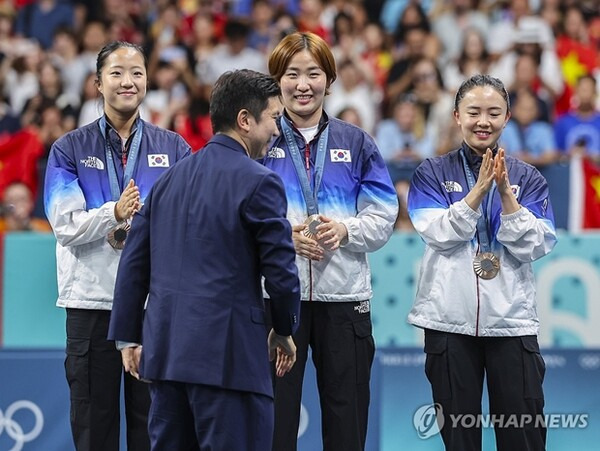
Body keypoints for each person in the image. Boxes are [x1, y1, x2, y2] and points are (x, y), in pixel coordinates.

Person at [107, 69, 301, 451]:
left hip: (167, 359)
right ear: (245, 120)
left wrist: (128, 334)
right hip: (228, 363)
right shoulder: (260, 181)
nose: (278, 130)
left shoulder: (167, 180)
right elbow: (281, 272)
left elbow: (134, 262)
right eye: (274, 118)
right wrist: (283, 328)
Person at [44, 41, 191, 451]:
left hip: (151, 308)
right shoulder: (69, 149)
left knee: (155, 429)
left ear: (147, 81)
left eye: (137, 73)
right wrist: (115, 213)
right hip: (91, 306)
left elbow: (187, 224)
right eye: (117, 73)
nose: (128, 81)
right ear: (97, 82)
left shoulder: (174, 149)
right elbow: (65, 226)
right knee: (94, 428)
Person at [407, 74, 557, 451]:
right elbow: (437, 234)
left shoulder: (529, 178)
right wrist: (478, 192)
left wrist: (506, 194)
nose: (483, 121)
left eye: (493, 112)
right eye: (473, 112)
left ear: (507, 118)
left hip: (512, 323)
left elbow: (536, 245)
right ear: (457, 116)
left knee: (523, 437)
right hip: (448, 322)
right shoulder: (431, 173)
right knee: (459, 439)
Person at [264, 31, 399, 451]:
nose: (303, 85)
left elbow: (383, 215)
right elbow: (232, 218)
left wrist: (345, 231)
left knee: (347, 419)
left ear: (330, 79)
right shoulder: (258, 141)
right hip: (276, 300)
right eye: (291, 74)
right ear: (276, 80)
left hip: (344, 300)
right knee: (273, 420)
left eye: (313, 74)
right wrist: (283, 236)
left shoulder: (356, 142)